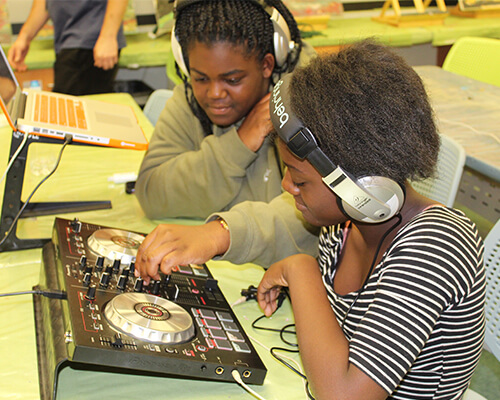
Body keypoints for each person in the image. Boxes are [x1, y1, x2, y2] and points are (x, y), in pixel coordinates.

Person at [256, 40, 486, 399]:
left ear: (363, 187)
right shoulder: (346, 225)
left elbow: (343, 395)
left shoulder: (437, 245)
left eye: (299, 180)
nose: (287, 187)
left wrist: (301, 271)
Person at [134, 0, 319, 273]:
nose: (215, 94)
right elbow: (151, 191)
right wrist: (240, 142)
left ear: (268, 64)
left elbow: (316, 222)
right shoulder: (190, 100)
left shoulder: (314, 99)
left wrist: (219, 234)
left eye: (232, 80)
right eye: (200, 78)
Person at [7, 0, 127, 95]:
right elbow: (43, 3)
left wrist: (108, 37)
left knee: (70, 112)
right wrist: (24, 37)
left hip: (91, 41)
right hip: (69, 41)